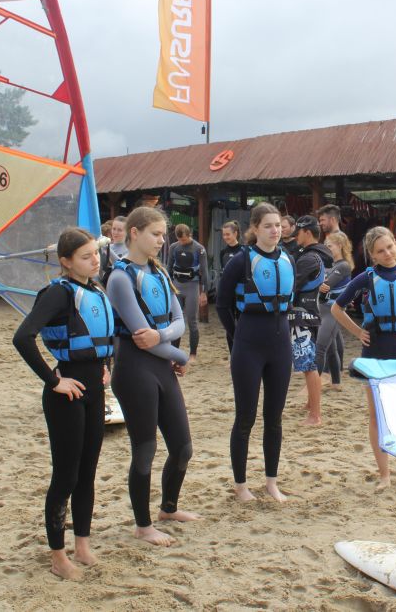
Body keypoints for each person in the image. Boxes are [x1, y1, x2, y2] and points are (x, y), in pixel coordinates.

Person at [12, 227, 113, 581]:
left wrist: (106, 365)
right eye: (86, 256)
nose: (95, 260)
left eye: (95, 253)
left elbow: (103, 337)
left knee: (87, 473)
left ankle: (82, 545)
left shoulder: (95, 290)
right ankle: (58, 555)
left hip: (94, 391)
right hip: (65, 395)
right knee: (66, 476)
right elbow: (22, 337)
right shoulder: (58, 293)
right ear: (66, 261)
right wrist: (54, 381)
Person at [105, 206, 200, 547]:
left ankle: (168, 509)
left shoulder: (158, 272)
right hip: (134, 370)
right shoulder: (120, 278)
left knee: (183, 448)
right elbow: (139, 336)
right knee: (145, 450)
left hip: (162, 366)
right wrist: (179, 354)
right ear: (135, 233)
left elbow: (178, 323)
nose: (162, 240)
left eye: (163, 234)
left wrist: (163, 338)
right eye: (156, 234)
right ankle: (143, 526)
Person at [331, 226, 396, 488]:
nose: (387, 253)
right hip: (374, 355)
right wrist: (358, 332)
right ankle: (384, 475)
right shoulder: (365, 279)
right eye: (380, 251)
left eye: (390, 247)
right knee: (377, 416)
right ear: (372, 255)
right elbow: (336, 308)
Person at [216, 203, 295, 502]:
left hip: (280, 344)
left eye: (278, 225)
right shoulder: (241, 260)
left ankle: (271, 482)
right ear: (255, 228)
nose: (275, 230)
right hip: (248, 344)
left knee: (274, 417)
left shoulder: (287, 258)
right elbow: (222, 304)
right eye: (268, 226)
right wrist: (236, 335)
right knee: (245, 417)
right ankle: (241, 486)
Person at [290, 216, 333, 426]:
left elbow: (292, 285)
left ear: (307, 232)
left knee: (307, 364)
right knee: (309, 361)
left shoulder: (308, 258)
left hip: (303, 314)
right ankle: (310, 403)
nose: (295, 237)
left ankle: (315, 415)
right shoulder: (320, 255)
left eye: (297, 233)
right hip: (312, 312)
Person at [165, 224, 208, 362]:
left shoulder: (199, 249)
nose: (182, 242)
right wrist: (168, 286)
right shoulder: (174, 247)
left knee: (192, 321)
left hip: (192, 287)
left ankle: (193, 354)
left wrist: (204, 292)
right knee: (175, 320)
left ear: (190, 235)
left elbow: (204, 271)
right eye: (180, 240)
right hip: (177, 286)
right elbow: (169, 267)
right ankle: (174, 352)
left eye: (184, 239)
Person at [316, 231, 353, 389]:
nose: (326, 248)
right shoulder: (329, 265)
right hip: (322, 310)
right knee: (331, 349)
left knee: (319, 348)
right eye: (325, 245)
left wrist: (316, 282)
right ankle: (336, 383)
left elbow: (326, 285)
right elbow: (319, 284)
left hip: (332, 312)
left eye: (329, 245)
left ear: (340, 246)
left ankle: (313, 385)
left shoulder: (343, 266)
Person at [218, 221, 242, 353]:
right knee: (229, 325)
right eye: (224, 235)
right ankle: (233, 353)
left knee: (243, 324)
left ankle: (243, 351)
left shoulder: (244, 250)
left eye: (228, 234)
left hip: (241, 294)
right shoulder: (223, 252)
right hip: (228, 294)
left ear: (235, 233)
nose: (225, 237)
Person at [100, 216, 128, 283]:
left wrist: (107, 248)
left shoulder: (130, 249)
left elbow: (121, 266)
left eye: (119, 230)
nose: (115, 232)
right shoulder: (106, 247)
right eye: (114, 229)